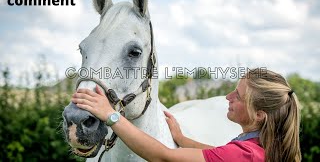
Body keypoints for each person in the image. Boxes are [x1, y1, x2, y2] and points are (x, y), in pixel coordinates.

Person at [71, 68, 301, 162]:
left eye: (239, 97)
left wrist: (111, 115)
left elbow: (162, 156)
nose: (228, 98)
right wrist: (182, 139)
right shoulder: (263, 147)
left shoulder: (244, 155)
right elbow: (215, 153)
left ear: (259, 114)